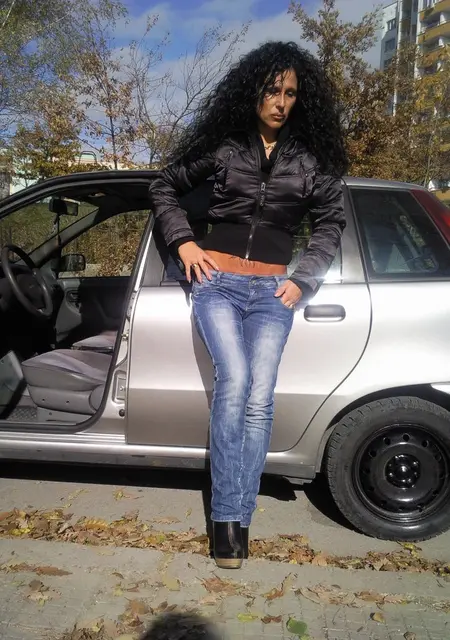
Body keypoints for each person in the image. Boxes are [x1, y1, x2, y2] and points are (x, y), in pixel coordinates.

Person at [148, 40, 347, 569]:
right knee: (235, 381)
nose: (280, 102)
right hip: (217, 282)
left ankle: (239, 517)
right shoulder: (226, 149)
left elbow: (331, 222)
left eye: (291, 93)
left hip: (273, 291)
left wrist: (304, 280)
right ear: (252, 91)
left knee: (260, 399)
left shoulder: (310, 162)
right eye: (272, 90)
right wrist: (184, 243)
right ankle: (224, 521)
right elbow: (163, 187)